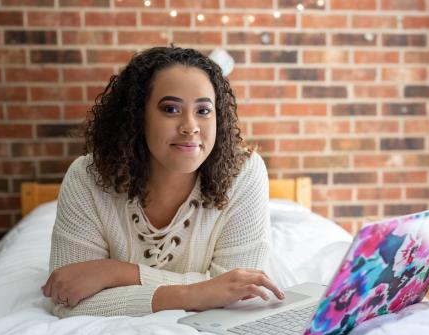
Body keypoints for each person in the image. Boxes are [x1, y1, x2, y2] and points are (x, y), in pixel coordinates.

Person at [41, 46, 284, 318]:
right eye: (170, 109)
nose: (190, 126)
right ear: (137, 116)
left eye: (203, 110)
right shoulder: (86, 178)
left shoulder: (244, 173)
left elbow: (239, 292)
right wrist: (199, 292)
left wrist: (115, 272)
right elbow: (67, 300)